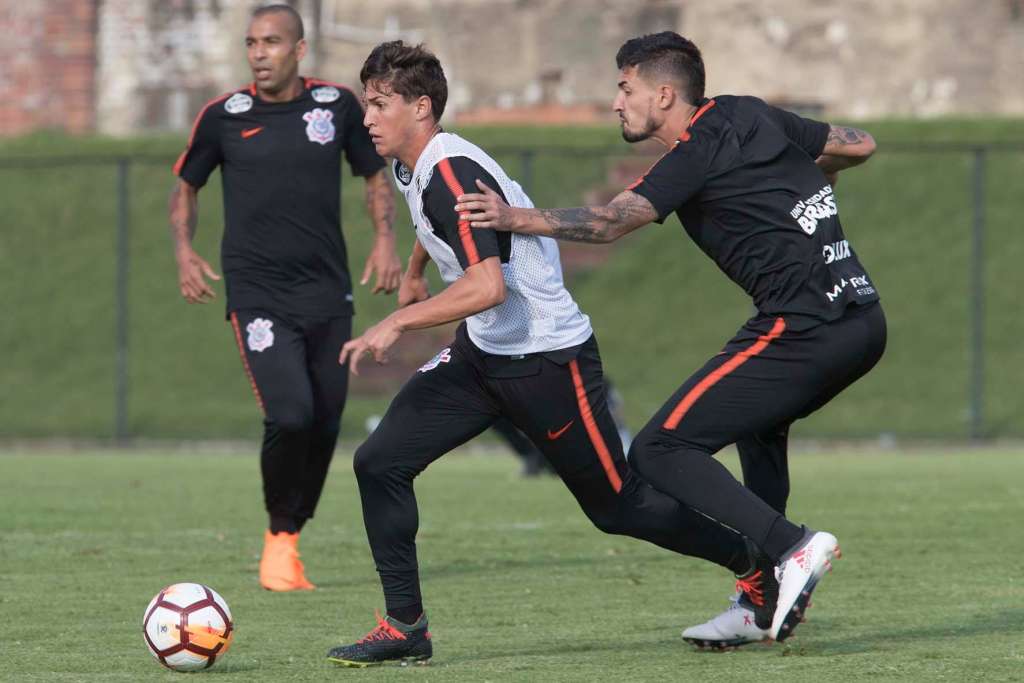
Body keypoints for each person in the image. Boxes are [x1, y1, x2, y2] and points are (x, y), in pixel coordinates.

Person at [325, 40, 762, 667]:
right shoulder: (410, 164)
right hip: (482, 359)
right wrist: (419, 266)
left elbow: (486, 286)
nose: (367, 116)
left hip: (548, 361)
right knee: (380, 462)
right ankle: (405, 627)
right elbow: (439, 224)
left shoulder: (449, 170)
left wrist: (399, 319)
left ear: (421, 108)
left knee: (620, 508)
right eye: (366, 102)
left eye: (379, 103)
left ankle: (755, 563)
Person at [456, 31, 886, 647]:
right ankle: (759, 604)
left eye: (625, 89)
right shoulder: (747, 112)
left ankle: (792, 547)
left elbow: (609, 222)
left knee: (658, 450)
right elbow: (860, 144)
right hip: (862, 321)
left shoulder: (693, 153)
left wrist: (511, 217)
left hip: (806, 326)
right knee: (758, 430)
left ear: (663, 93)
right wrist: (805, 180)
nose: (616, 103)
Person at [167, 4, 401, 592]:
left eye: (271, 42)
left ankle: (291, 537)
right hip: (257, 292)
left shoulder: (336, 106)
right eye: (251, 43)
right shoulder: (224, 116)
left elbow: (374, 175)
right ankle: (277, 536)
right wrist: (184, 252)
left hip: (328, 290)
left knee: (324, 421)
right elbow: (186, 187)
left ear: (299, 50)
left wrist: (383, 241)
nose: (258, 53)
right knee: (290, 412)